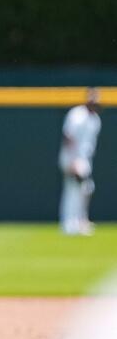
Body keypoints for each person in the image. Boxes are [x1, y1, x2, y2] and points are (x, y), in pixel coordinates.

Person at [59, 88, 102, 236]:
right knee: (74, 190)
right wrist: (72, 161)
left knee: (85, 189)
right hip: (72, 158)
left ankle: (79, 222)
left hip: (84, 160)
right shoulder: (77, 115)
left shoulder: (95, 119)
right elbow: (68, 137)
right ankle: (69, 224)